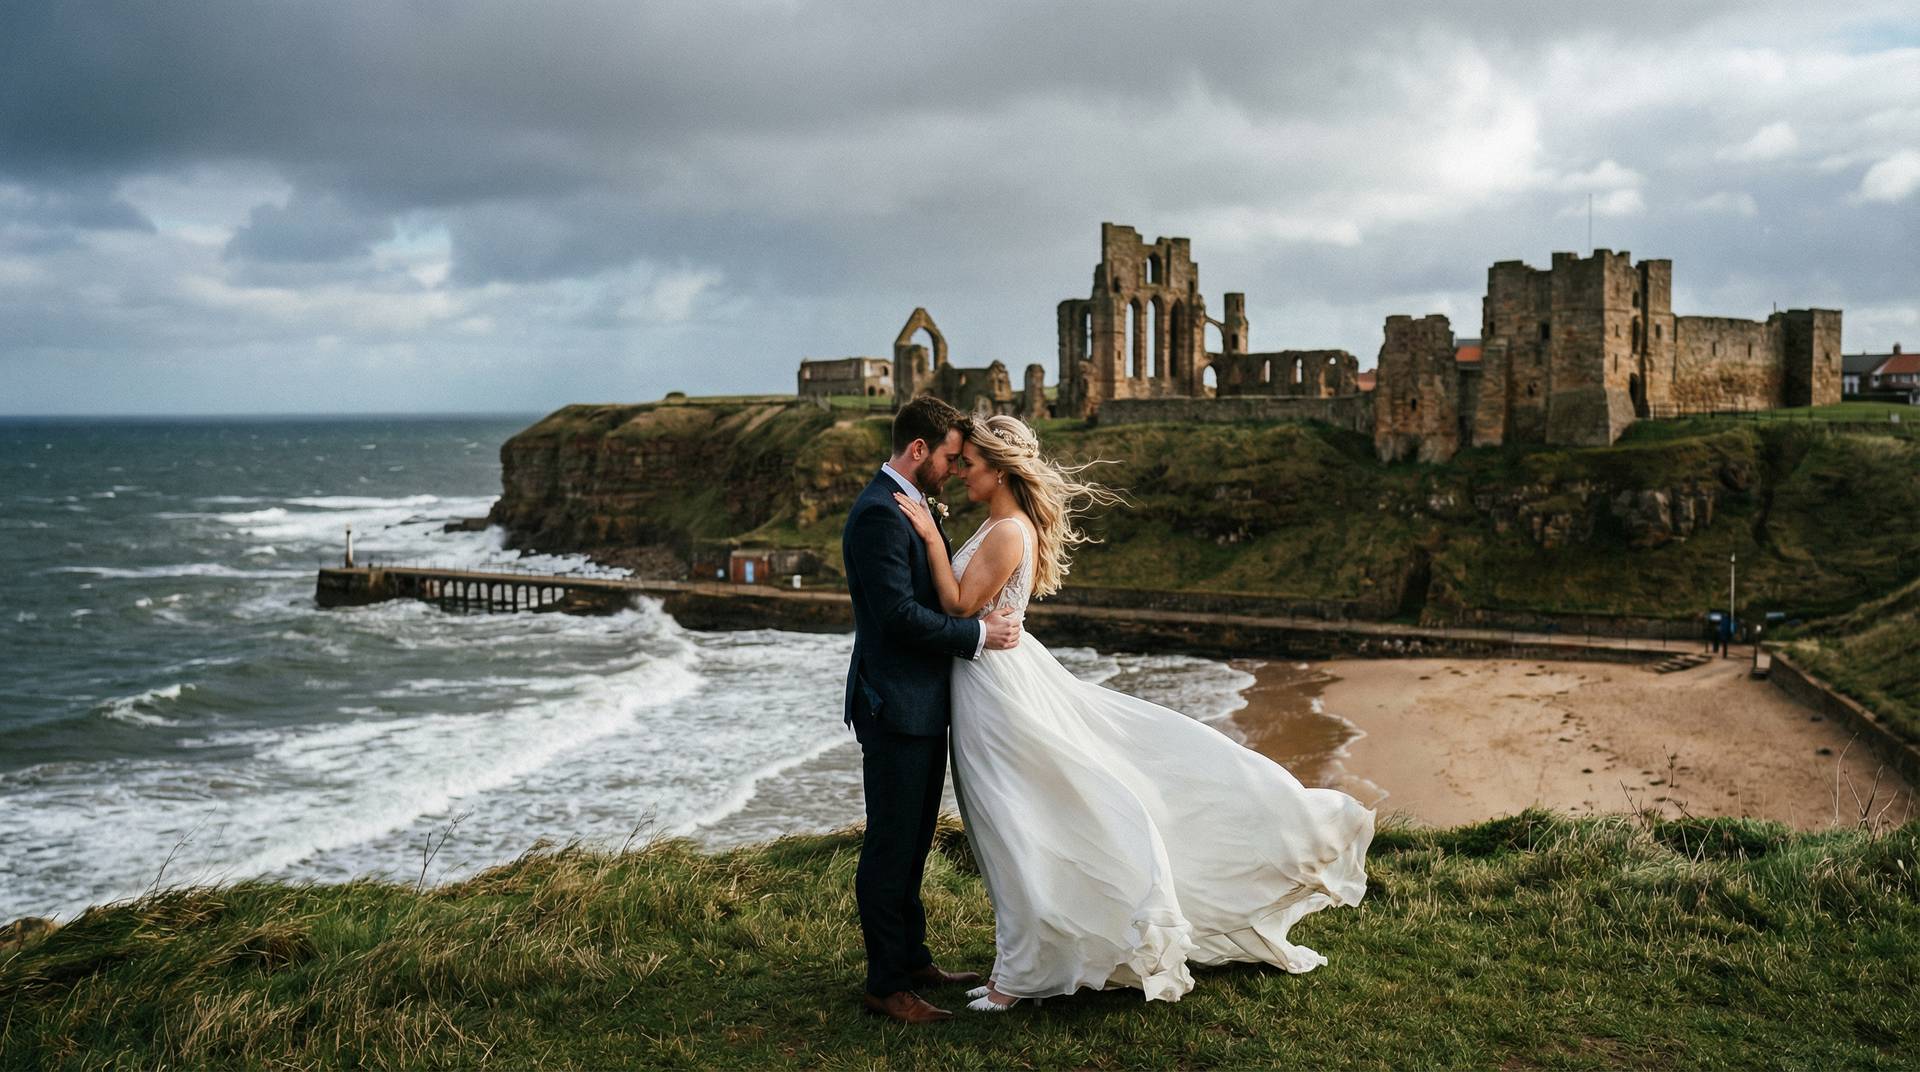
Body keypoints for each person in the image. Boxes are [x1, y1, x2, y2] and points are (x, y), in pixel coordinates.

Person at [892, 413, 1375, 1012]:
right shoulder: (998, 523)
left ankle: (1014, 980)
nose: (961, 472)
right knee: (1007, 824)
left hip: (996, 689)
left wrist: (930, 538)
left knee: (1012, 824)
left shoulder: (1009, 531)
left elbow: (961, 605)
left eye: (969, 464)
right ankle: (1024, 961)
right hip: (986, 680)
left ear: (1001, 470)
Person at [840, 396, 1024, 1024]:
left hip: (920, 702)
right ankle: (886, 985)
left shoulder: (909, 504)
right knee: (891, 845)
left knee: (915, 839)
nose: (953, 468)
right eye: (949, 457)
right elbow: (896, 615)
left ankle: (913, 959)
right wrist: (977, 636)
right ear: (918, 450)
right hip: (894, 703)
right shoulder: (878, 514)